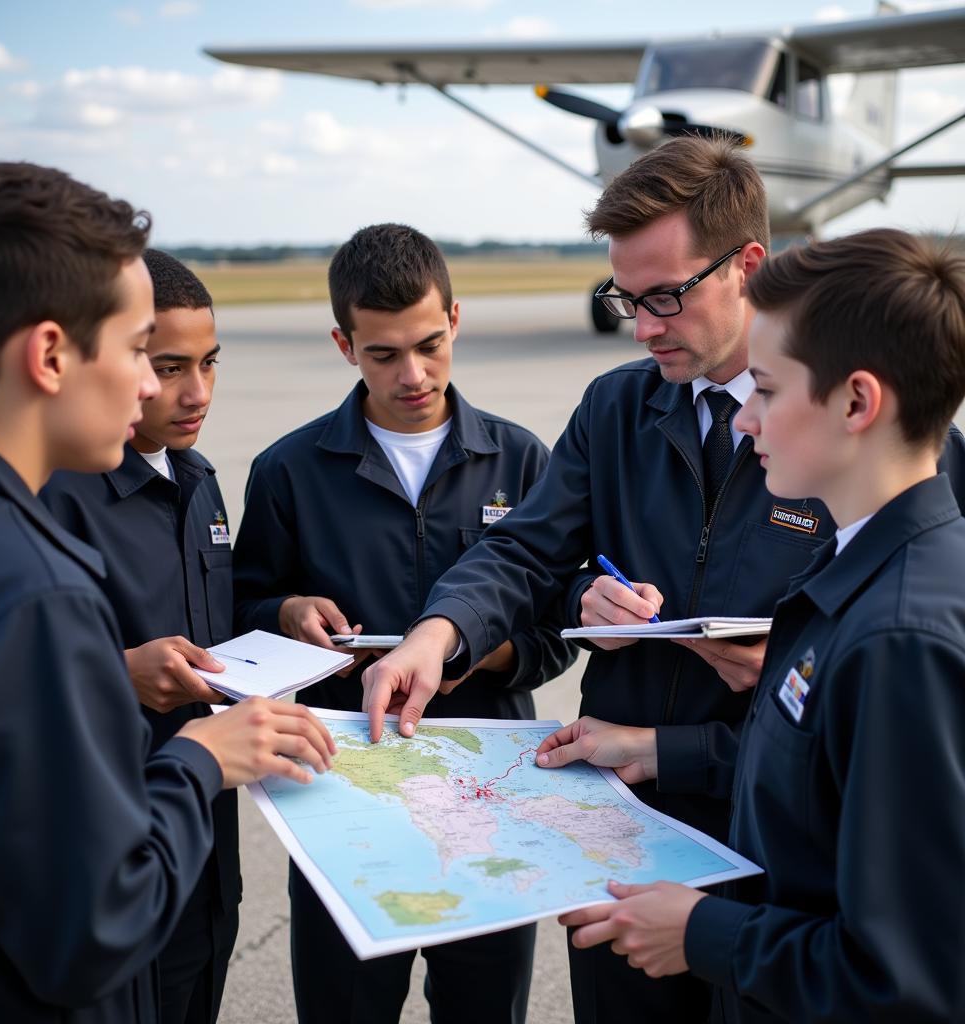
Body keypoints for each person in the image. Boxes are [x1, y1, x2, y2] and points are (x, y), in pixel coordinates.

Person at [359, 138, 965, 1022]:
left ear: (747, 266)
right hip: (625, 825)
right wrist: (443, 630)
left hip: (771, 850)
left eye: (664, 297)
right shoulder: (617, 406)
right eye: (624, 299)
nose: (642, 326)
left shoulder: (892, 456)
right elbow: (528, 553)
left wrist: (799, 661)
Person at [0, 161, 335, 1024]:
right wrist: (199, 760)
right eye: (135, 353)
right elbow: (91, 926)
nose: (157, 388)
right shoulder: (31, 588)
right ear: (49, 354)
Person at [552, 228, 965, 1022]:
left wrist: (704, 932)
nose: (744, 422)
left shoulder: (899, 640)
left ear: (857, 402)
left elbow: (907, 978)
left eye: (768, 391)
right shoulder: (859, 581)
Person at [232, 222, 577, 1024]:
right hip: (341, 792)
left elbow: (560, 627)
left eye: (429, 344)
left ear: (455, 319)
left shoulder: (523, 460)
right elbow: (239, 615)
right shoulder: (288, 469)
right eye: (383, 353)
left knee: (486, 1006)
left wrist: (487, 658)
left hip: (487, 790)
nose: (413, 374)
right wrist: (282, 613)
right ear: (343, 344)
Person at [42, 249, 239, 1024]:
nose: (197, 394)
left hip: (208, 839)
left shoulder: (198, 478)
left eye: (211, 363)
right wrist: (117, 673)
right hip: (116, 848)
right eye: (167, 366)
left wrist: (286, 612)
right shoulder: (55, 495)